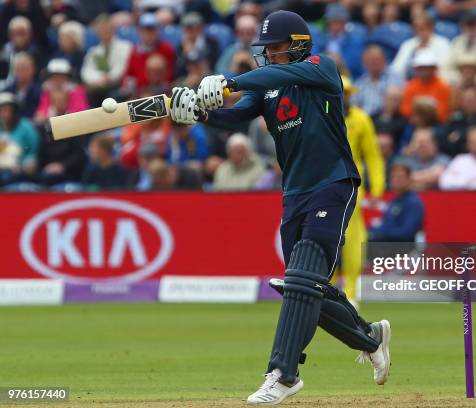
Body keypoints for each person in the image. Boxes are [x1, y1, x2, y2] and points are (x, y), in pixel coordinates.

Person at [169, 10, 391, 405]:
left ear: (299, 45)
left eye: (276, 48)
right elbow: (236, 114)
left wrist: (229, 81)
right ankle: (369, 337)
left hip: (333, 184)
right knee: (307, 288)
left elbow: (273, 77)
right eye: (266, 49)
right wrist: (199, 113)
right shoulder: (267, 88)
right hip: (294, 194)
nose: (269, 55)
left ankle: (283, 374)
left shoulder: (322, 69)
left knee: (301, 280)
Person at [337, 76, 386, 307]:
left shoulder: (360, 119)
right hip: (323, 183)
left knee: (354, 238)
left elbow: (373, 156)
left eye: (345, 93)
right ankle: (327, 289)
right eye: (339, 92)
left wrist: (377, 187)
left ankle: (350, 292)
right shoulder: (320, 116)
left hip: (352, 184)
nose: (342, 98)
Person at [368, 158, 424, 242]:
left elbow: (407, 233)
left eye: (400, 176)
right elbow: (385, 225)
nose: (395, 180)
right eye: (393, 177)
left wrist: (381, 234)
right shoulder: (393, 201)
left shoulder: (414, 203)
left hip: (400, 249)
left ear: (409, 179)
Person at [391, 12, 452, 80]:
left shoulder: (442, 43)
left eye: (423, 27)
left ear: (431, 27)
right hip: (409, 84)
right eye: (416, 28)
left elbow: (445, 69)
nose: (420, 31)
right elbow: (397, 68)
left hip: (434, 83)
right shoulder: (407, 45)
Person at [399, 50, 452, 123]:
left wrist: (426, 109)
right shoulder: (410, 86)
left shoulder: (442, 86)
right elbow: (405, 110)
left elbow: (443, 113)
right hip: (413, 123)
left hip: (436, 123)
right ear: (416, 70)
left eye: (427, 68)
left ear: (434, 69)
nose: (424, 71)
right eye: (421, 68)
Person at [352, 45, 403, 116]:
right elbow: (354, 106)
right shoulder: (359, 83)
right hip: (366, 121)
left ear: (384, 60)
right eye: (369, 60)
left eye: (376, 59)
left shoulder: (394, 77)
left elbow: (398, 102)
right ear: (364, 63)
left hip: (387, 120)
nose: (373, 63)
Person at [439, 126, 476, 190]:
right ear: (468, 144)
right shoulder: (460, 160)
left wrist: (460, 179)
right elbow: (445, 182)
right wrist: (468, 181)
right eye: (473, 142)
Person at [0, 92, 38, 185]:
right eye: (1, 110)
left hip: (18, 171)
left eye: (7, 110)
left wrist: (23, 165)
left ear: (14, 111)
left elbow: (32, 153)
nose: (4, 113)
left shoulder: (27, 128)